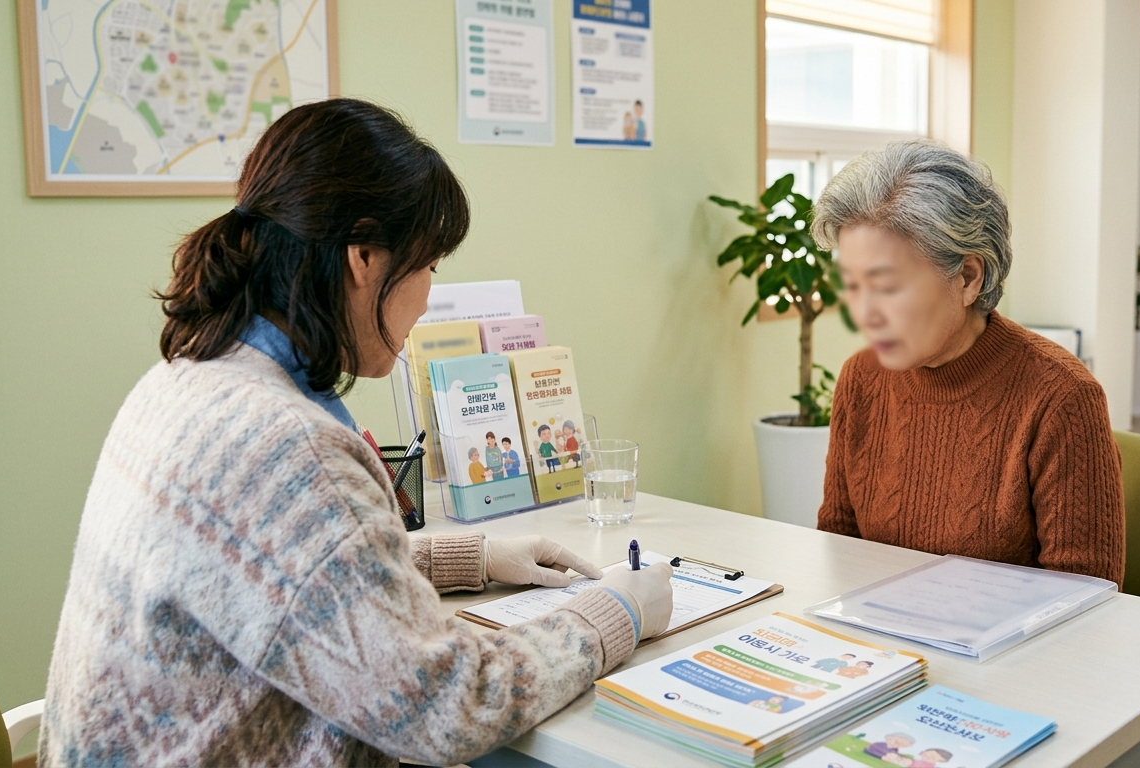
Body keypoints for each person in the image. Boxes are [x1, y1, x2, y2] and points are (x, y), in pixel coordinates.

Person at [40, 98, 674, 767]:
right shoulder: (286, 444)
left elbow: (279, 576)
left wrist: (474, 558)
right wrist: (616, 612)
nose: (430, 294)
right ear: (363, 256)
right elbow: (446, 706)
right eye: (430, 264)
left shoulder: (189, 378)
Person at [810, 139, 1125, 586]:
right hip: (880, 648)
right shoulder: (862, 378)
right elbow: (840, 551)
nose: (865, 314)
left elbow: (1083, 600)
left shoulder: (1062, 398)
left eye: (888, 287)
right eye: (853, 286)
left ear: (968, 277)